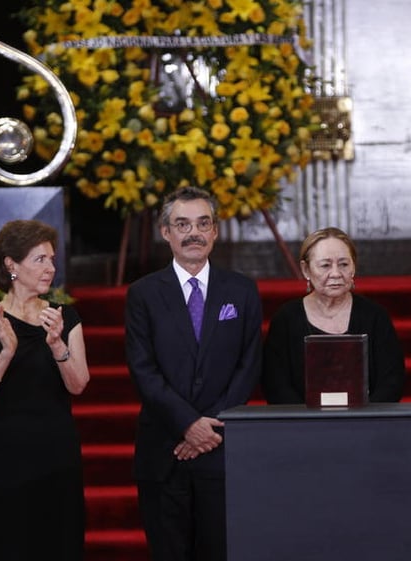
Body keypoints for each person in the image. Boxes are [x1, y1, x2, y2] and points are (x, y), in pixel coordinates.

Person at [125, 186, 263, 561]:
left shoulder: (243, 291)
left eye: (203, 223)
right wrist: (188, 424)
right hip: (164, 450)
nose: (194, 233)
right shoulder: (142, 294)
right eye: (182, 224)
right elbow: (143, 370)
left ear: (216, 231)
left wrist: (209, 427)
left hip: (223, 450)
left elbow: (249, 366)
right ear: (165, 232)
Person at [0, 219, 90, 561]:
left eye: (51, 259)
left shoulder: (65, 318)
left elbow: (78, 385)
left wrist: (58, 345)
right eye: (40, 259)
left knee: (58, 544)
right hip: (2, 457)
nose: (51, 268)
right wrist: (6, 353)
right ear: (11, 265)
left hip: (55, 453)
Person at [262, 227, 406, 404]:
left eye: (344, 264)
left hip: (366, 424)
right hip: (301, 426)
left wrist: (365, 418)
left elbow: (392, 381)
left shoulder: (375, 316)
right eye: (325, 265)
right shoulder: (286, 320)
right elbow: (276, 385)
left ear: (354, 267)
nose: (336, 273)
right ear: (306, 270)